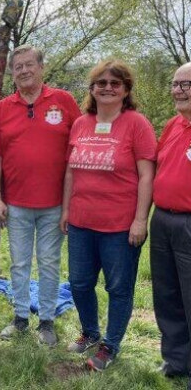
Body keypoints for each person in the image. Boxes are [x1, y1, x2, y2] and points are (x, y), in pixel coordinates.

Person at [60, 59, 156, 371]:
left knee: (118, 288)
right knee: (79, 282)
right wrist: (65, 210)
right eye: (101, 82)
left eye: (115, 83)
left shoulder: (136, 124)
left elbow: (146, 175)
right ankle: (90, 332)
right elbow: (71, 172)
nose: (107, 88)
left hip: (120, 226)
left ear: (126, 90)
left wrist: (141, 219)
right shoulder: (81, 124)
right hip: (81, 222)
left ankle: (110, 346)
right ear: (92, 88)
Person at [0, 44, 81, 346]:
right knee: (19, 264)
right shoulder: (2, 108)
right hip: (16, 204)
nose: (24, 70)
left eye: (30, 64)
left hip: (55, 204)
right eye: (18, 67)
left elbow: (80, 148)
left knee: (50, 262)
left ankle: (47, 321)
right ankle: (19, 318)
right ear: (13, 73)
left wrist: (73, 202)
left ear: (42, 67)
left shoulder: (64, 102)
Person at [150, 62, 191, 387]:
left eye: (186, 84)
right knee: (167, 294)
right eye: (175, 84)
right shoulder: (173, 125)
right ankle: (176, 360)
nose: (178, 90)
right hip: (162, 220)